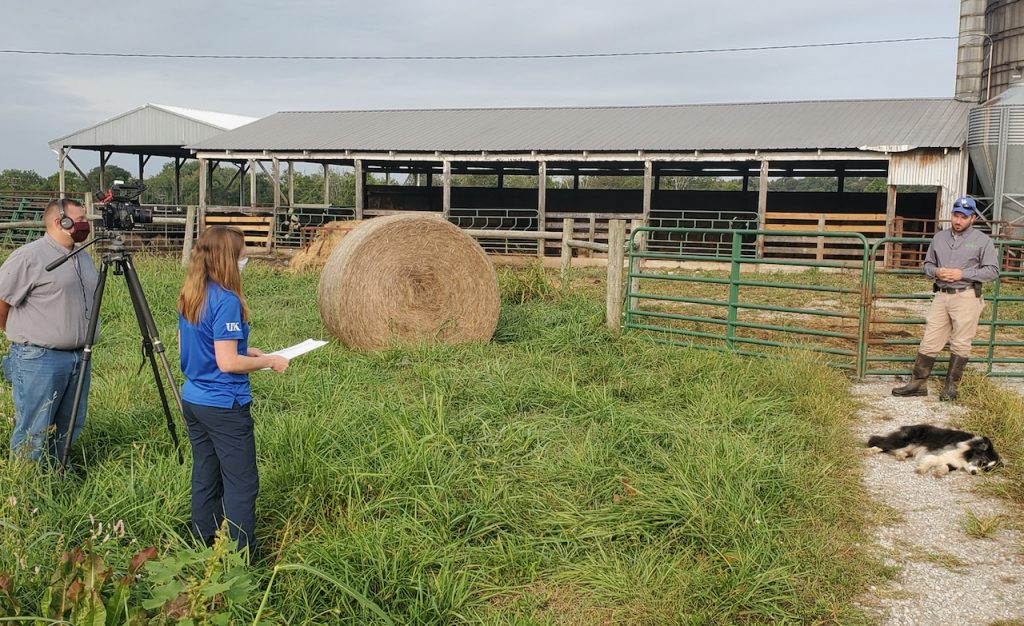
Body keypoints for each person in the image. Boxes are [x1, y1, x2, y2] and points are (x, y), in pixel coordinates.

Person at [177, 226, 288, 555]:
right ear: (228, 258)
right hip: (223, 403)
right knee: (241, 483)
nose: (246, 257)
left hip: (194, 398)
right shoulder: (225, 300)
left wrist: (246, 350)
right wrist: (268, 361)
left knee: (206, 474)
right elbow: (226, 363)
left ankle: (203, 542)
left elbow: (192, 345)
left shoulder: (192, 293)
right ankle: (242, 556)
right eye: (241, 252)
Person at [0, 198, 96, 465]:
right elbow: (2, 299)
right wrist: (15, 331)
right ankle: (25, 491)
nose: (84, 224)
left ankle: (55, 478)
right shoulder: (30, 256)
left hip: (79, 357)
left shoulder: (83, 256)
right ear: (60, 221)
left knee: (71, 424)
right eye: (79, 219)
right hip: (39, 357)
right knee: (35, 428)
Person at [892, 196, 999, 401]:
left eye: (964, 217)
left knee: (960, 342)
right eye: (955, 215)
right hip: (942, 295)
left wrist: (963, 274)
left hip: (966, 295)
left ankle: (951, 387)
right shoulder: (939, 238)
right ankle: (918, 383)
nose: (958, 221)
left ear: (973, 218)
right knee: (930, 339)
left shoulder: (982, 241)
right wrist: (936, 272)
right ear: (951, 215)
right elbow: (927, 265)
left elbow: (992, 271)